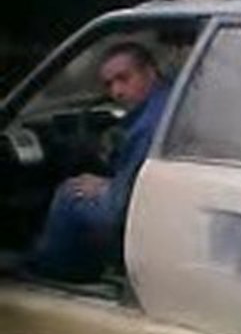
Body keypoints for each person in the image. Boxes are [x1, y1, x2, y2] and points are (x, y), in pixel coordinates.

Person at [23, 42, 171, 282]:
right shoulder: (168, 100)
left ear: (150, 72)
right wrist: (110, 183)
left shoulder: (146, 126)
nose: (117, 92)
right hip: (157, 205)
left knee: (70, 194)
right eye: (109, 84)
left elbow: (119, 207)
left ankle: (50, 273)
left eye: (124, 78)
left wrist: (108, 188)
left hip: (142, 215)